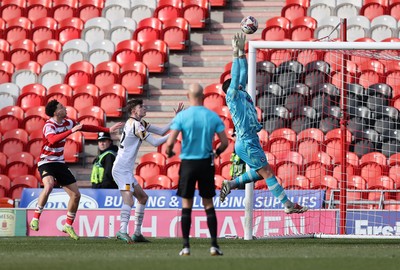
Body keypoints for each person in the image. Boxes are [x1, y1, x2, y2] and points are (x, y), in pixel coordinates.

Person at [219, 33, 308, 214]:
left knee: (262, 172)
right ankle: (287, 205)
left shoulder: (241, 93)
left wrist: (241, 53)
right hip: (246, 141)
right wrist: (234, 54)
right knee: (267, 173)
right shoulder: (232, 97)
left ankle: (232, 183)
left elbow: (242, 74)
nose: (241, 84)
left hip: (250, 140)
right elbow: (236, 78)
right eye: (236, 85)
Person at [29, 100, 123, 240]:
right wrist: (71, 131)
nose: (65, 108)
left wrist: (107, 130)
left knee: (76, 195)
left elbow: (84, 127)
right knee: (48, 186)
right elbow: (53, 140)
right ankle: (36, 217)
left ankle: (68, 224)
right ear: (55, 112)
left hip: (60, 163)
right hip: (46, 162)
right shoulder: (49, 125)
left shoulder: (68, 122)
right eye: (61, 107)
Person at [165, 83, 229, 256]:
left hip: (188, 163)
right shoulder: (213, 116)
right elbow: (225, 142)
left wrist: (169, 152)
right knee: (208, 203)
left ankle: (186, 246)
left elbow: (170, 143)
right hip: (206, 163)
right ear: (203, 97)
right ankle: (214, 245)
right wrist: (217, 152)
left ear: (188, 96)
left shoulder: (182, 116)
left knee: (187, 204)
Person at [112, 98, 184, 244]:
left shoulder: (139, 123)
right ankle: (122, 230)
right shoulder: (136, 126)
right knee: (129, 199)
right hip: (121, 169)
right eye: (141, 107)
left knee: (143, 198)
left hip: (126, 169)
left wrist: (175, 120)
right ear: (134, 111)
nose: (144, 108)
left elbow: (162, 131)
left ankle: (137, 233)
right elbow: (156, 142)